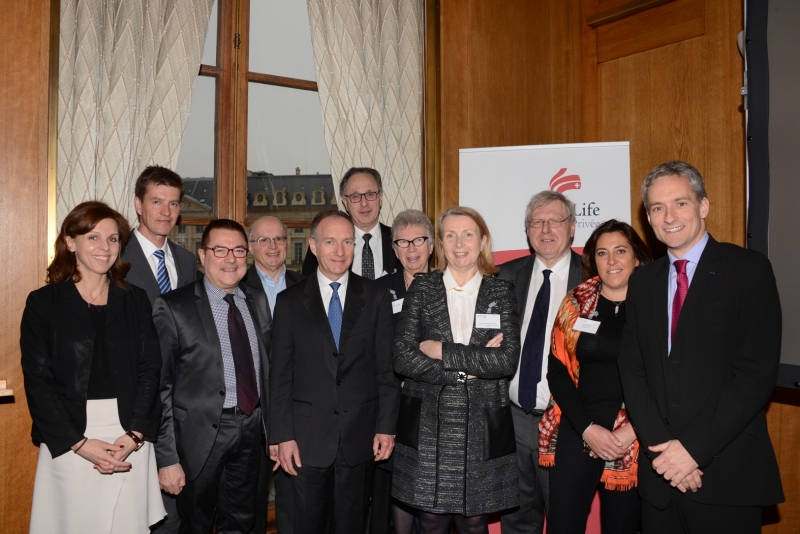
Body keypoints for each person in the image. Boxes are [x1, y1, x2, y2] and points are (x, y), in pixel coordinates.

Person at [618, 161, 784, 533]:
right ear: (648, 217)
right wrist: (663, 449)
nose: (669, 216)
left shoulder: (748, 269)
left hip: (725, 473)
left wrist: (691, 451)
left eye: (680, 203)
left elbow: (756, 374)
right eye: (657, 208)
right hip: (659, 476)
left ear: (703, 206)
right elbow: (632, 370)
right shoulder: (643, 284)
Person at [21, 201, 165, 533]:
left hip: (129, 437)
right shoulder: (43, 304)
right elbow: (38, 382)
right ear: (71, 242)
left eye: (113, 239)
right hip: (69, 440)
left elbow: (150, 369)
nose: (105, 248)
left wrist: (134, 435)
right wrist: (80, 444)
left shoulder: (135, 300)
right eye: (94, 237)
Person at [392, 206, 521, 534]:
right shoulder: (422, 289)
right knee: (431, 519)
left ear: (482, 241)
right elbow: (403, 358)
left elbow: (505, 361)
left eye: (468, 234)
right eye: (450, 235)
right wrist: (468, 368)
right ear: (440, 243)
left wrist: (441, 351)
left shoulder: (501, 292)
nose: (459, 243)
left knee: (475, 520)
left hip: (481, 424)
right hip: (430, 425)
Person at [270, 210, 400, 534]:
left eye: (347, 242)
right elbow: (280, 376)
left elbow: (386, 371)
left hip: (361, 437)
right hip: (305, 440)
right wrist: (281, 435)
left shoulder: (376, 297)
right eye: (330, 242)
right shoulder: (288, 302)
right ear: (313, 246)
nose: (339, 251)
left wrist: (387, 428)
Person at [152, 219, 270, 533]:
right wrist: (166, 458)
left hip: (252, 429)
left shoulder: (257, 303)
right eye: (220, 250)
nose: (230, 259)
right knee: (195, 525)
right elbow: (159, 388)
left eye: (239, 250)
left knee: (242, 523)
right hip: (198, 439)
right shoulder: (173, 307)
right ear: (202, 256)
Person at [540, 219, 651, 533]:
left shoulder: (657, 307)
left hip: (633, 437)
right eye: (602, 253)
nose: (611, 260)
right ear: (593, 260)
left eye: (620, 251)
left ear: (637, 258)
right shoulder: (576, 303)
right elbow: (557, 371)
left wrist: (632, 431)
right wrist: (587, 428)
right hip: (580, 429)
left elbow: (668, 379)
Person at [497, 191, 584, 534]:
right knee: (516, 520)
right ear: (527, 230)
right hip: (513, 418)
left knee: (564, 519)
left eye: (555, 221)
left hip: (566, 422)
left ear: (573, 227)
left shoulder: (591, 276)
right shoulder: (505, 276)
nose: (546, 229)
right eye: (537, 222)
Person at [243, 216, 306, 534]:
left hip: (296, 410)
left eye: (279, 239)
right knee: (249, 501)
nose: (273, 246)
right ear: (251, 246)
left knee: (294, 498)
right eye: (264, 240)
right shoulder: (236, 287)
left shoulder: (306, 285)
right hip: (249, 412)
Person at [373, 209, 435, 534]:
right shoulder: (379, 291)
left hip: (438, 409)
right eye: (403, 242)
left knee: (433, 497)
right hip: (395, 411)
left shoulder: (450, 287)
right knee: (400, 491)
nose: (411, 249)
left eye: (418, 240)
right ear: (394, 249)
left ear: (431, 244)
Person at [302, 167, 397, 278]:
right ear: (345, 202)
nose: (364, 203)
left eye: (370, 194)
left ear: (380, 198)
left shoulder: (401, 241)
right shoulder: (323, 244)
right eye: (355, 196)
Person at [122, 166, 196, 304]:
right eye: (157, 202)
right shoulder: (117, 255)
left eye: (173, 204)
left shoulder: (187, 260)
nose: (166, 212)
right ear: (138, 205)